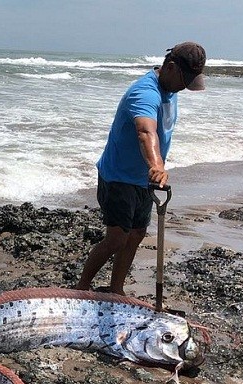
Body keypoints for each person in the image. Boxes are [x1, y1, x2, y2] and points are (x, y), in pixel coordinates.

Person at [77, 42, 206, 295]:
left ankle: (116, 289)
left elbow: (161, 131)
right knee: (116, 238)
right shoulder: (145, 92)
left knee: (136, 234)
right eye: (185, 79)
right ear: (170, 67)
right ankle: (81, 286)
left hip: (141, 179)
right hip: (118, 176)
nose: (185, 86)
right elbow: (145, 132)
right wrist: (157, 165)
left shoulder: (171, 88)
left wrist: (154, 169)